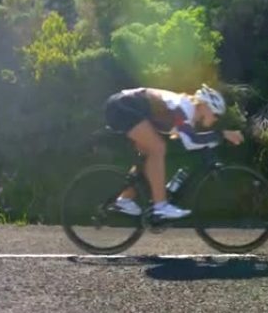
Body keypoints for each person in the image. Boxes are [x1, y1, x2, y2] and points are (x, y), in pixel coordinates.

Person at [103, 84, 245, 219]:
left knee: (150, 155)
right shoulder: (183, 107)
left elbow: (192, 139)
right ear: (205, 106)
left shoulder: (186, 112)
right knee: (158, 148)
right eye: (216, 115)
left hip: (125, 106)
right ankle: (161, 206)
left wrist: (218, 138)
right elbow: (191, 141)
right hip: (123, 106)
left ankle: (124, 200)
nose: (216, 119)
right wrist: (222, 134)